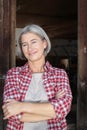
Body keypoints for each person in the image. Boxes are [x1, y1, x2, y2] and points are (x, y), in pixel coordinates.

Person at [2, 24, 72, 130]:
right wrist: (52, 108)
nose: (30, 48)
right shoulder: (14, 74)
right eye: (24, 44)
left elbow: (64, 108)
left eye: (33, 42)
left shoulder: (59, 74)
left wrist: (21, 106)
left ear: (44, 43)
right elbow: (13, 115)